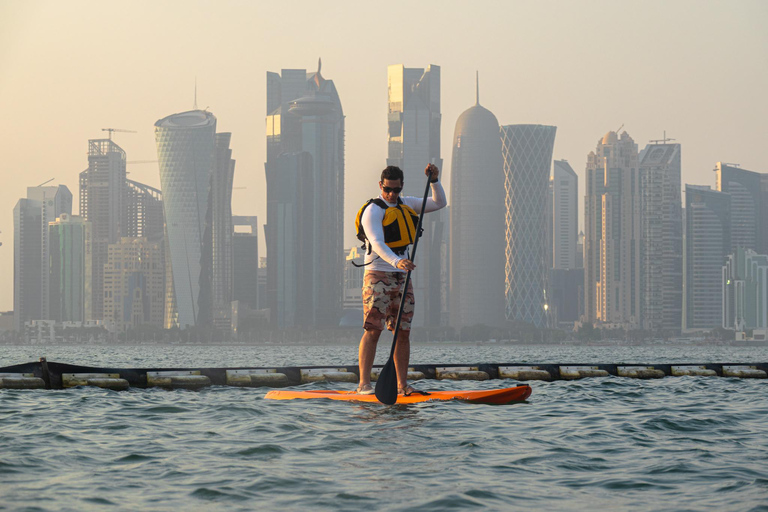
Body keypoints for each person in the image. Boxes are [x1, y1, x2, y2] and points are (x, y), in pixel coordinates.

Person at [355, 163, 447, 395]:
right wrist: (397, 261)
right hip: (378, 274)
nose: (392, 195)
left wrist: (434, 180)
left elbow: (439, 203)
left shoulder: (407, 204)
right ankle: (364, 385)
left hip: (402, 276)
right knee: (373, 330)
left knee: (402, 331)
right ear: (381, 186)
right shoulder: (373, 210)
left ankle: (402, 385)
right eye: (388, 190)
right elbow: (377, 242)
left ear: (401, 187)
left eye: (396, 190)